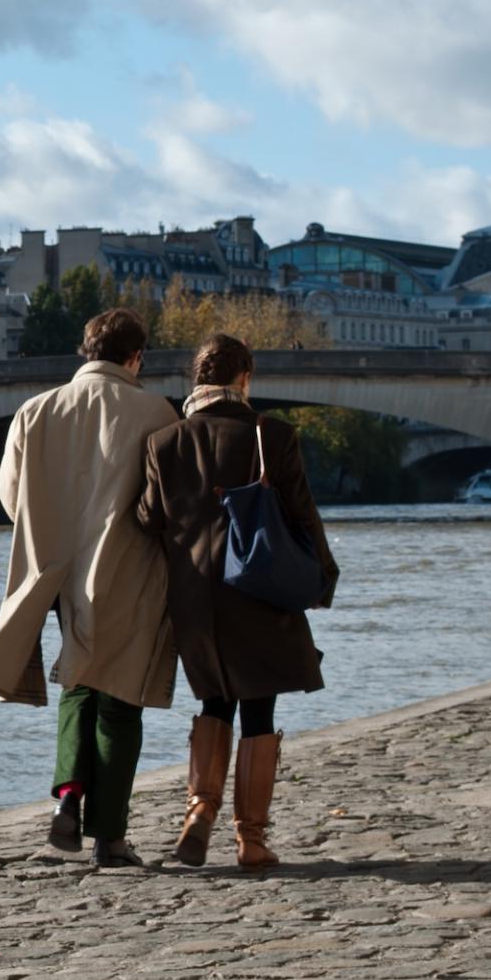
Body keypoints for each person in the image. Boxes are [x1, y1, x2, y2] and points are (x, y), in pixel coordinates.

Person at [0, 308, 180, 867]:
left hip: (58, 571)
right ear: (136, 357)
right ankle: (110, 837)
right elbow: (166, 502)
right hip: (130, 568)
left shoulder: (35, 411)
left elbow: (9, 494)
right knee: (120, 698)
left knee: (78, 682)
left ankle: (68, 797)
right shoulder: (157, 412)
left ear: (85, 352)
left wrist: (53, 530)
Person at [136, 333, 340, 870]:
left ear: (197, 381)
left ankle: (199, 809)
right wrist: (322, 579)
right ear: (243, 379)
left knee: (213, 703)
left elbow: (148, 519)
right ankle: (250, 838)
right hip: (259, 588)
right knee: (259, 708)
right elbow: (301, 514)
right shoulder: (269, 436)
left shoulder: (164, 442)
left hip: (195, 602)